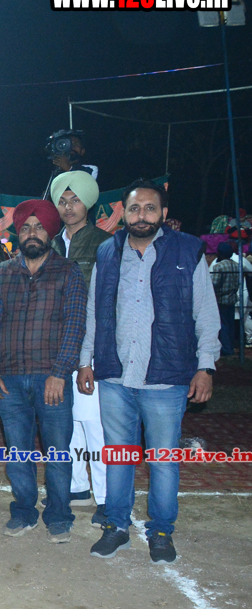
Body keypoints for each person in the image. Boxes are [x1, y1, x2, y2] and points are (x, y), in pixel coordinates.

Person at [79, 180, 221, 565]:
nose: (141, 215)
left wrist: (205, 367)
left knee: (163, 460)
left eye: (149, 208)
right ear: (123, 213)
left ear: (163, 213)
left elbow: (206, 315)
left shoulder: (187, 250)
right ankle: (116, 526)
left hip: (166, 378)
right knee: (118, 456)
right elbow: (95, 311)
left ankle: (161, 531)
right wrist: (85, 360)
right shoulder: (107, 252)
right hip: (114, 376)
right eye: (134, 208)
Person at [0, 199, 86, 543]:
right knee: (18, 453)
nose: (32, 233)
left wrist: (60, 373)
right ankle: (24, 511)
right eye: (25, 227)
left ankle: (59, 515)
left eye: (39, 227)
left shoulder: (68, 272)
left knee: (57, 454)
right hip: (9, 380)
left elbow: (75, 325)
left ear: (50, 232)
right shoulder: (3, 273)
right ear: (18, 233)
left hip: (51, 379)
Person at [52, 170, 112, 522]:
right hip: (55, 349)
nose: (69, 207)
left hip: (91, 348)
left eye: (75, 200)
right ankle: (77, 488)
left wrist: (92, 352)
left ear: (88, 202)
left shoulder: (106, 244)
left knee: (95, 426)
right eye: (62, 201)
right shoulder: (51, 244)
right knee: (66, 423)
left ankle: (106, 497)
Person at [210, 242, 240, 357]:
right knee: (230, 324)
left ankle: (226, 349)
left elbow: (214, 284)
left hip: (221, 299)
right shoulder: (236, 265)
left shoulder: (219, 266)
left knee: (222, 325)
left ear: (221, 254)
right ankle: (230, 345)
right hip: (232, 299)